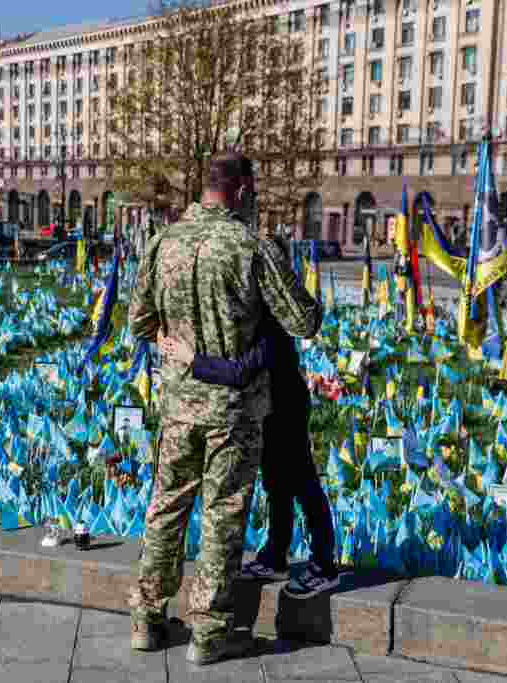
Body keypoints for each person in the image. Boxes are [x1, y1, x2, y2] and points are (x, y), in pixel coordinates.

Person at [128, 152, 321, 665]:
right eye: (251, 192)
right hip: (233, 413)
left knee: (166, 506)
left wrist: (176, 343)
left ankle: (146, 620)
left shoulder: (162, 242)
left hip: (177, 407)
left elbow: (139, 322)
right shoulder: (252, 246)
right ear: (239, 191)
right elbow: (303, 322)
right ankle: (209, 634)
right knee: (222, 517)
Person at [159, 235, 339, 600]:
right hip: (266, 409)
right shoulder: (256, 312)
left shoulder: (273, 321)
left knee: (303, 484)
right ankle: (275, 555)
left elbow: (241, 371)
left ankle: (324, 565)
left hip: (286, 408)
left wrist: (190, 359)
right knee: (275, 485)